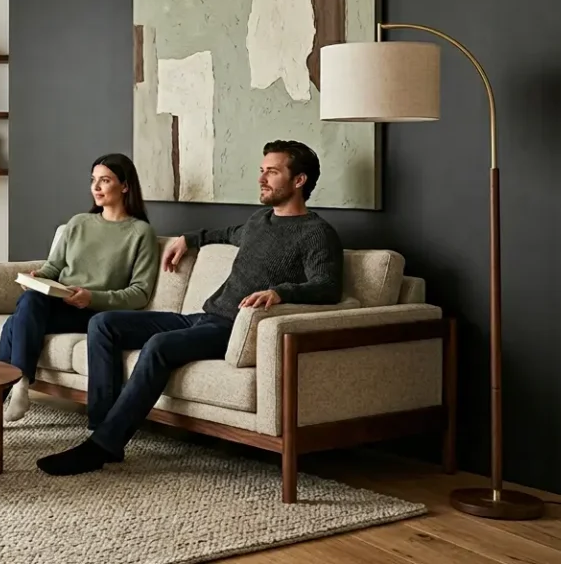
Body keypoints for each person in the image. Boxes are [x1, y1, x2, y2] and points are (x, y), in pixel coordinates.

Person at [36, 140, 344, 475]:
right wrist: (189, 238)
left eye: (272, 172)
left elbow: (328, 287)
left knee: (158, 346)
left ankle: (99, 449)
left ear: (299, 181)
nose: (262, 178)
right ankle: (102, 430)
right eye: (261, 170)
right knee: (104, 324)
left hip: (232, 329)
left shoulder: (316, 233)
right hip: (203, 317)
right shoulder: (260, 220)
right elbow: (226, 233)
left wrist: (280, 292)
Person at [0, 153, 160, 436]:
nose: (96, 188)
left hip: (97, 314)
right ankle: (20, 383)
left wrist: (92, 297)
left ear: (124, 186)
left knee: (15, 323)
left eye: (105, 180)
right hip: (61, 305)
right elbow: (53, 267)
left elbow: (139, 294)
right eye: (93, 180)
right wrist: (39, 278)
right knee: (30, 300)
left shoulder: (140, 232)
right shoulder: (78, 223)